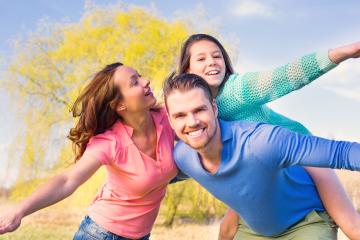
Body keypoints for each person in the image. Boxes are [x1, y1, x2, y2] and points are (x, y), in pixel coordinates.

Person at [177, 33, 360, 239]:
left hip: (299, 151)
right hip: (256, 169)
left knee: (351, 226)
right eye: (201, 59)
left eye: (217, 56)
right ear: (187, 70)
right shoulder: (188, 111)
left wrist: (345, 52)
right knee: (226, 231)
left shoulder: (237, 89)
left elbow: (286, 76)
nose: (212, 62)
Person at [0, 63, 178, 239]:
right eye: (135, 82)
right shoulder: (110, 142)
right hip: (101, 234)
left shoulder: (167, 118)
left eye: (140, 76)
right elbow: (67, 180)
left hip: (141, 236)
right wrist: (20, 211)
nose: (145, 81)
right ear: (120, 105)